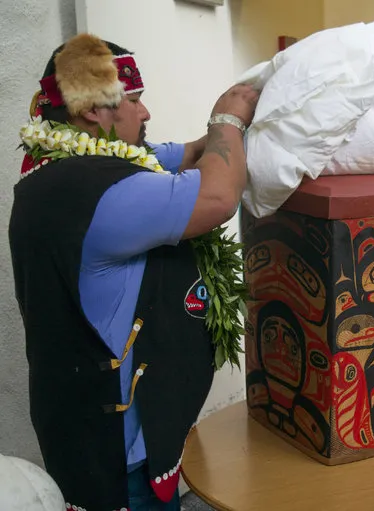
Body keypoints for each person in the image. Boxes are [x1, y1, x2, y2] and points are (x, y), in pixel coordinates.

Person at [9, 33, 259, 511]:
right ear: (91, 111)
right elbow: (217, 196)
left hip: (86, 422)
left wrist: (246, 122)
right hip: (118, 457)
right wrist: (227, 116)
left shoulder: (66, 166)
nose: (145, 114)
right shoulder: (93, 195)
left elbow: (185, 155)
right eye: (135, 102)